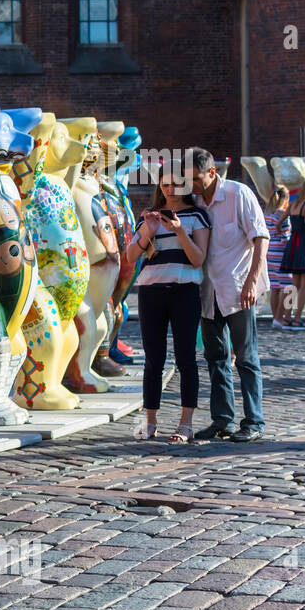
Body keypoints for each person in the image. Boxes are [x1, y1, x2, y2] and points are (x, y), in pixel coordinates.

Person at [185, 147, 269, 443]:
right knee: (216, 358)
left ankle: (254, 422)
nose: (191, 185)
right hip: (207, 293)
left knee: (246, 357)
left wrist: (252, 281)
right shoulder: (193, 201)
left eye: (195, 178)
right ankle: (223, 420)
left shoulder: (238, 194)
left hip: (237, 289)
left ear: (212, 173)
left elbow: (260, 238)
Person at [125, 165, 209, 443]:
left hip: (184, 291)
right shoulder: (149, 215)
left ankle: (185, 424)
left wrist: (179, 231)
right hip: (151, 291)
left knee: (186, 359)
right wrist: (149, 230)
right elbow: (130, 256)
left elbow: (198, 258)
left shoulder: (197, 216)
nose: (169, 190)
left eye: (175, 184)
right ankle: (150, 422)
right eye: (164, 185)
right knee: (153, 360)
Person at [279, 178, 305, 329]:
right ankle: (297, 318)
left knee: (294, 284)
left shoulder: (293, 204)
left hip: (293, 243)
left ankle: (286, 317)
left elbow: (279, 223)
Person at [264, 186, 292, 329]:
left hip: (269, 253)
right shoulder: (282, 215)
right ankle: (283, 317)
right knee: (289, 287)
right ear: (286, 199)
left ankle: (276, 317)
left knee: (274, 287)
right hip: (281, 253)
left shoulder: (267, 214)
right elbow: (286, 237)